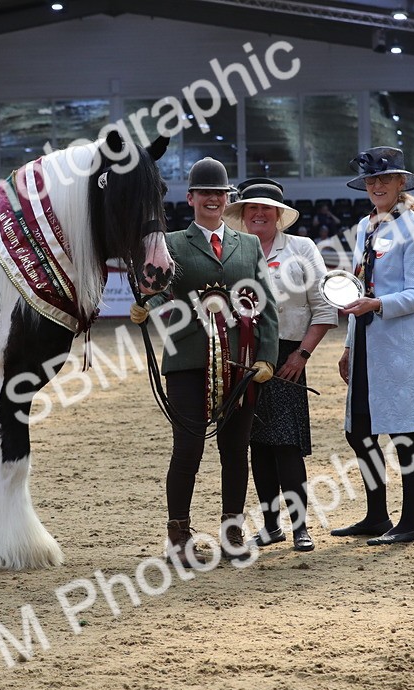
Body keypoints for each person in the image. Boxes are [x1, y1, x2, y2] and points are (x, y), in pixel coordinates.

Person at [130, 158, 279, 566]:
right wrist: (148, 304)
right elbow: (162, 289)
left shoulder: (247, 246)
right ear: (191, 198)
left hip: (240, 362)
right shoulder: (172, 244)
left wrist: (266, 357)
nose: (213, 199)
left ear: (227, 199)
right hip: (188, 358)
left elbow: (265, 305)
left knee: (235, 451)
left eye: (220, 194)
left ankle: (233, 533)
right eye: (205, 193)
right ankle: (178, 534)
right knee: (188, 449)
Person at [224, 179, 338, 551]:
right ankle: (271, 525)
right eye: (251, 208)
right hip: (242, 357)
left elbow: (324, 306)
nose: (258, 214)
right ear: (242, 214)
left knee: (286, 446)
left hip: (289, 354)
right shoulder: (232, 247)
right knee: (256, 444)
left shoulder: (302, 248)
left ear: (278, 215)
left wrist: (301, 355)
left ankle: (300, 525)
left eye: (266, 209)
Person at [332, 146, 414, 545]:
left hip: (398, 343)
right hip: (364, 341)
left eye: (384, 179)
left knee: (405, 431)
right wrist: (346, 344)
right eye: (371, 180)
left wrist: (379, 304)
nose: (376, 185)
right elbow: (359, 285)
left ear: (400, 183)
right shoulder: (365, 226)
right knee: (359, 431)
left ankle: (411, 522)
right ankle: (377, 515)